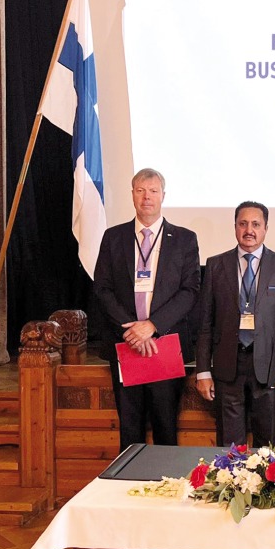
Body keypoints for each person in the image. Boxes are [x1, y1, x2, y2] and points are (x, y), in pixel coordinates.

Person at [91, 168, 200, 451]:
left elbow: (190, 291)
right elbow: (102, 287)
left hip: (164, 343)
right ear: (132, 195)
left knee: (166, 426)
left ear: (163, 195)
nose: (147, 197)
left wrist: (152, 326)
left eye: (153, 191)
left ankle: (167, 490)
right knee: (130, 428)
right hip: (126, 344)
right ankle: (125, 489)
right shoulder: (113, 237)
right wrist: (132, 329)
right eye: (140, 190)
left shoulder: (185, 239)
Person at [195, 202, 275, 447]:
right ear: (235, 227)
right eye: (243, 224)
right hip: (228, 366)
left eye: (255, 224)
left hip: (270, 368)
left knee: (268, 446)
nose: (248, 230)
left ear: (265, 228)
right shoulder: (216, 265)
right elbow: (205, 323)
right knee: (230, 447)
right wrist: (202, 371)